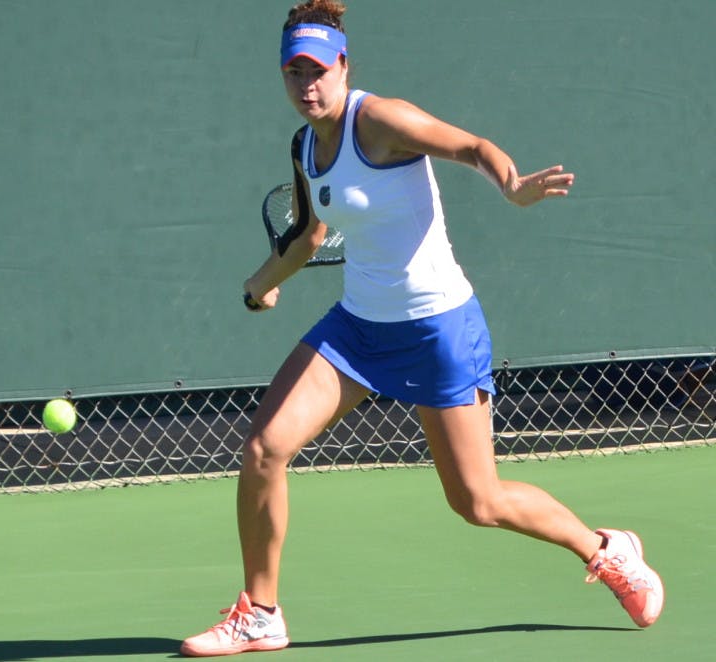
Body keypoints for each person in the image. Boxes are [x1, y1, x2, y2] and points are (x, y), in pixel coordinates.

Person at [179, 0, 665, 657]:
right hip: (357, 330)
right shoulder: (305, 146)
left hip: (438, 328)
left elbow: (470, 146)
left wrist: (511, 183)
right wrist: (259, 284)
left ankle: (608, 550)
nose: (307, 85)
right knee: (265, 448)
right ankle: (261, 614)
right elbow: (308, 236)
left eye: (318, 70)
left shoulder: (378, 120)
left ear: (344, 66)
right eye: (294, 73)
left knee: (477, 501)